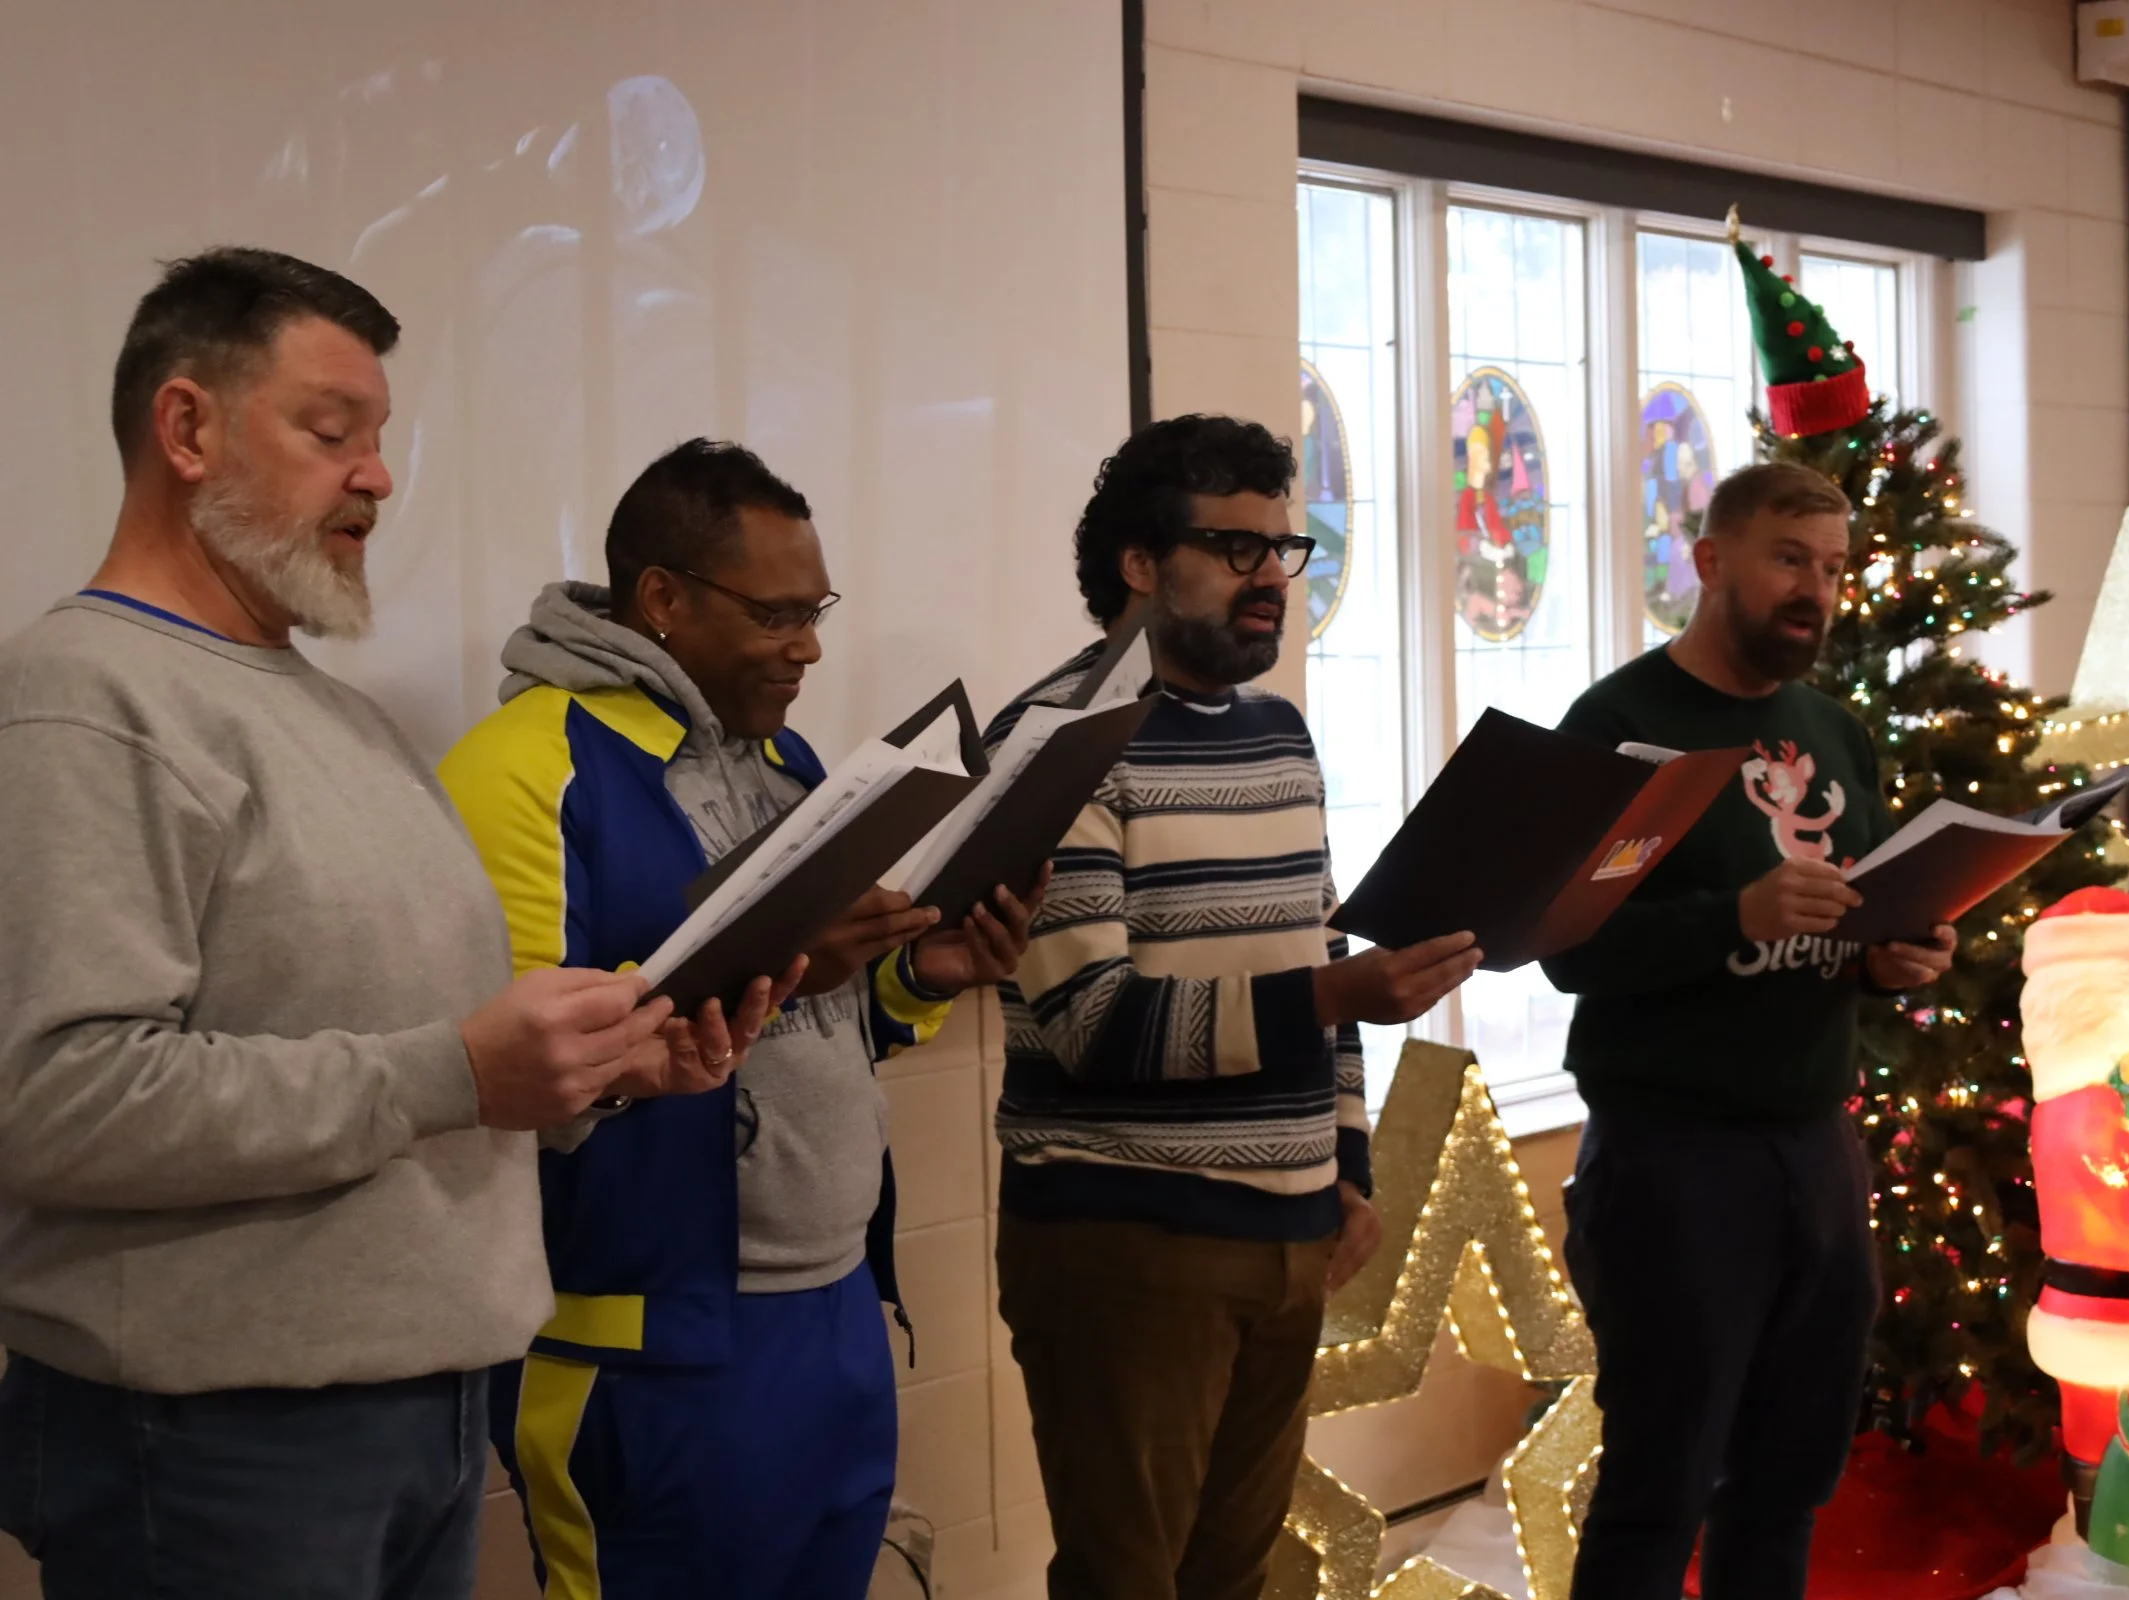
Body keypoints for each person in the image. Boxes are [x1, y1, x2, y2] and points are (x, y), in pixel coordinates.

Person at [0, 249, 794, 1600]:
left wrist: (596, 1074)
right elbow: (58, 1100)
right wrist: (455, 1072)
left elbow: (420, 1065)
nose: (378, 477)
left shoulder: (339, 718)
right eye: (332, 433)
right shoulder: (85, 700)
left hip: (422, 1412)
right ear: (186, 428)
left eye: (379, 439)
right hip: (219, 1446)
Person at [439, 437, 1037, 1599]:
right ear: (663, 598)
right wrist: (780, 969)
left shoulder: (789, 761)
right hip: (648, 1344)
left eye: (816, 612)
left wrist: (919, 977)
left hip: (836, 1309)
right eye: (776, 615)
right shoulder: (526, 768)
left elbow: (827, 1024)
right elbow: (515, 1088)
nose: (808, 646)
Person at [989, 414, 1483, 1600]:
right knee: (1127, 1581)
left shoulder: (1278, 731)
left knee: (1236, 1581)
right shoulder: (1058, 741)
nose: (1272, 577)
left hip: (1288, 1231)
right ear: (1141, 564)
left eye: (1285, 547)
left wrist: (1345, 1164)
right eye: (1236, 549)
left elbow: (1322, 943)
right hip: (1128, 1238)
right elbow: (1093, 1023)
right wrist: (1335, 991)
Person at [1540, 460, 1957, 1600]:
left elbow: (1857, 919)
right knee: (1659, 1488)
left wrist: (1891, 960)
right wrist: (1733, 915)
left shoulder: (1835, 731)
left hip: (1816, 1147)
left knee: (1790, 1480)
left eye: (1833, 568)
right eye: (1788, 560)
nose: (1816, 590)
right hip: (1671, 1159)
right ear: (1711, 560)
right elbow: (1567, 948)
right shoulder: (1621, 726)